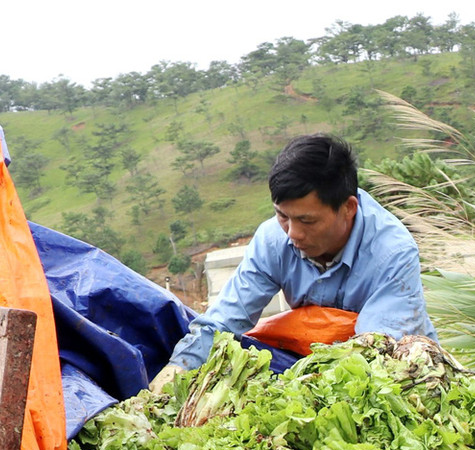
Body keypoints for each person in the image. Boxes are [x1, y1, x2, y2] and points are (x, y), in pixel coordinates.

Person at [148, 133, 434, 392]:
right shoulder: (273, 240)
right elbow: (226, 319)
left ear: (348, 208)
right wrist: (179, 368)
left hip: (398, 372)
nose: (293, 234)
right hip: (313, 359)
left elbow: (376, 352)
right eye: (283, 216)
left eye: (307, 220)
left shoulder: (392, 253)